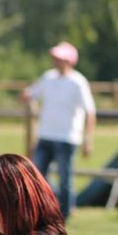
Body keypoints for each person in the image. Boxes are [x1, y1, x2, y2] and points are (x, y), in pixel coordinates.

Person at [20, 41, 96, 219]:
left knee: (65, 179)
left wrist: (88, 139)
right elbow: (30, 94)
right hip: (46, 135)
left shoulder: (78, 82)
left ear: (70, 61)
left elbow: (90, 111)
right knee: (38, 175)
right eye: (55, 58)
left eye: (60, 58)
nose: (55, 61)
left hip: (67, 137)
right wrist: (25, 95)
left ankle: (65, 214)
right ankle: (51, 206)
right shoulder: (48, 77)